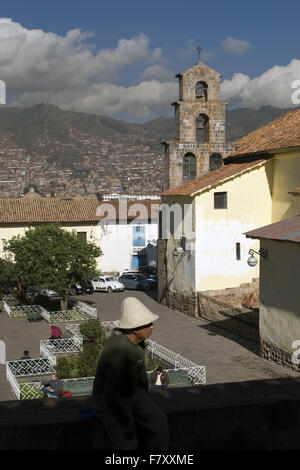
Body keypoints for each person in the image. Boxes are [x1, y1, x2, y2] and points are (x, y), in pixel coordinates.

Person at [92, 297, 169, 451]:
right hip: (111, 399)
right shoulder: (119, 350)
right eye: (148, 324)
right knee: (127, 443)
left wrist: (142, 393)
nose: (152, 327)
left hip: (133, 392)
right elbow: (112, 394)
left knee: (158, 423)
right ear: (135, 328)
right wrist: (125, 422)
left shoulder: (138, 342)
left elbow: (139, 372)